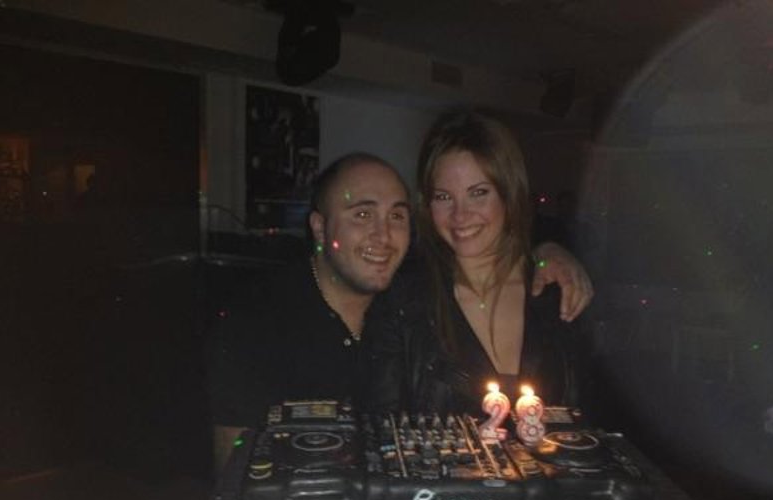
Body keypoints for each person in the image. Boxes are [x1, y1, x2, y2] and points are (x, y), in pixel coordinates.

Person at [208, 151, 593, 474]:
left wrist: (547, 252)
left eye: (397, 216)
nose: (383, 236)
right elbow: (234, 469)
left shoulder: (410, 299)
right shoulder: (259, 321)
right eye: (362, 215)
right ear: (321, 229)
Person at [363, 109, 583, 418]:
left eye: (478, 193)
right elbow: (381, 426)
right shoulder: (402, 303)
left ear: (509, 194)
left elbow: (588, 422)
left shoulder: (558, 291)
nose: (460, 216)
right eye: (443, 197)